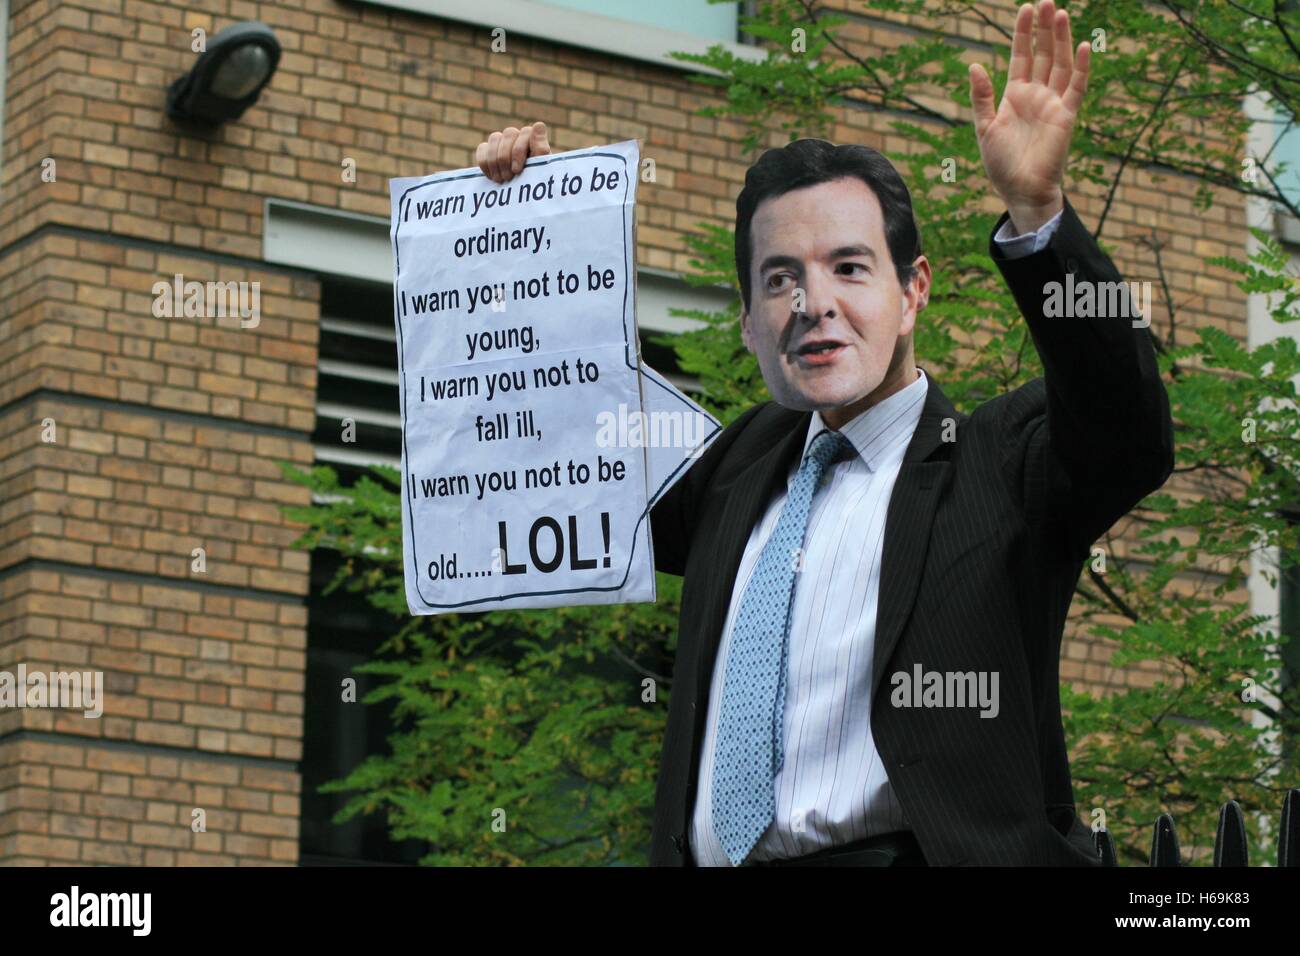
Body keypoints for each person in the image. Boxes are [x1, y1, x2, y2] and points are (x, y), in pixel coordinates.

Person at [475, 0, 1173, 866]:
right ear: (749, 321)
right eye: (780, 280)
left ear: (914, 289)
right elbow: (555, 451)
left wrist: (1038, 214)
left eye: (849, 267)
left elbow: (1126, 420)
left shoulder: (1004, 463)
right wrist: (530, 237)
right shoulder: (732, 471)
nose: (814, 306)